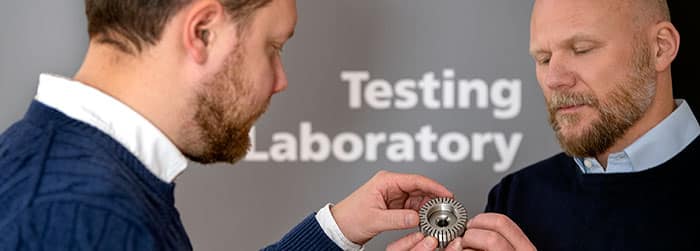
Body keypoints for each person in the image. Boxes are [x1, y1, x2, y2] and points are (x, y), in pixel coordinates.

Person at [0, 0, 454, 250]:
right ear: (203, 32)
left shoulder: (57, 172)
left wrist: (337, 229)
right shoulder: (86, 218)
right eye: (273, 47)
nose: (281, 81)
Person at [388, 0, 698, 250]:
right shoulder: (515, 197)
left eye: (582, 49)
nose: (554, 79)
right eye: (544, 58)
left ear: (660, 47)